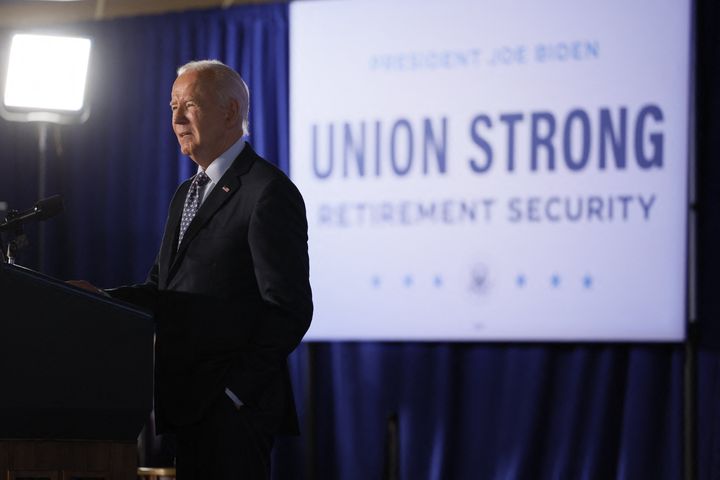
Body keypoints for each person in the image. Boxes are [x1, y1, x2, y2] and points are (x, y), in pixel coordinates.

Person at [72, 60, 312, 479]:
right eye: (172, 106)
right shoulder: (187, 193)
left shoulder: (267, 192)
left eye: (190, 106)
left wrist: (235, 392)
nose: (177, 118)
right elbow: (161, 290)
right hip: (184, 404)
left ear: (230, 112)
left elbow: (289, 309)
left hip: (234, 412)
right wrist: (98, 301)